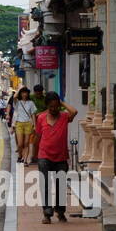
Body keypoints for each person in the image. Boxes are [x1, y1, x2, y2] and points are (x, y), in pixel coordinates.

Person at [33, 91, 77, 224]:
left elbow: (74, 112)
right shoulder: (40, 118)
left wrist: (61, 101)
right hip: (44, 155)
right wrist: (35, 154)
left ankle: (60, 211)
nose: (54, 109)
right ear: (47, 106)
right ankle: (47, 213)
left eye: (56, 106)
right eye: (51, 107)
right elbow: (38, 136)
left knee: (61, 186)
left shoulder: (64, 117)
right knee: (45, 184)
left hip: (61, 157)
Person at [7, 87, 36, 164]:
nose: (24, 94)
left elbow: (33, 114)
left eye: (26, 93)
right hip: (19, 124)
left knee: (26, 143)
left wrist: (34, 125)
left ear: (28, 94)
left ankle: (25, 160)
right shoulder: (17, 102)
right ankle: (20, 156)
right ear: (20, 93)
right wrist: (20, 88)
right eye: (23, 93)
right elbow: (14, 97)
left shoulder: (31, 103)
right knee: (20, 144)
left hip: (28, 124)